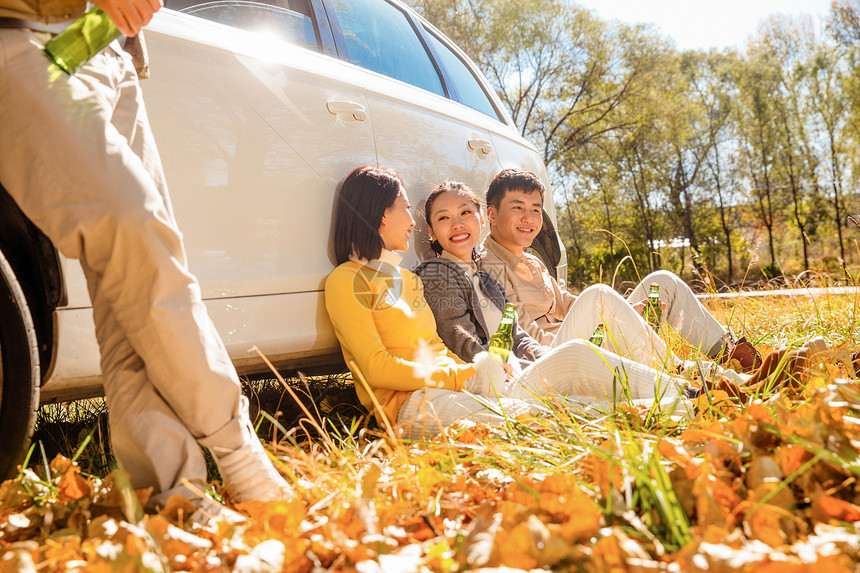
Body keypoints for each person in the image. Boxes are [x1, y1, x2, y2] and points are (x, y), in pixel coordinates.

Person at [0, 0, 291, 516]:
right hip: (20, 32)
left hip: (107, 43)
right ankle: (238, 451)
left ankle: (174, 496)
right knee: (133, 224)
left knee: (130, 283)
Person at [324, 167, 799, 440]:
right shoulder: (432, 273)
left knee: (590, 350)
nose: (453, 223)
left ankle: (701, 394)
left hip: (488, 374)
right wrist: (477, 369)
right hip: (445, 391)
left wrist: (504, 359)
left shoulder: (431, 279)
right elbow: (455, 340)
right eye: (430, 215)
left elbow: (495, 332)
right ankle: (694, 396)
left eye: (463, 213)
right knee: (556, 400)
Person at [479, 168, 762, 373]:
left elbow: (567, 304)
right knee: (599, 295)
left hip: (586, 336)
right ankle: (680, 370)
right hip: (558, 357)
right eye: (518, 208)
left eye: (536, 210)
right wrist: (606, 329)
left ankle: (731, 354)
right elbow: (526, 340)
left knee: (662, 281)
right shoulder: (490, 268)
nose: (529, 218)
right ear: (491, 214)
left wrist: (626, 311)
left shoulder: (532, 260)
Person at [414, 181, 546, 367]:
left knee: (576, 353)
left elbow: (518, 338)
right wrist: (526, 370)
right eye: (444, 218)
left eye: (465, 212)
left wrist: (550, 359)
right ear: (432, 232)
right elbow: (465, 347)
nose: (457, 224)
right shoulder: (436, 275)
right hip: (492, 380)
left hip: (518, 372)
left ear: (482, 220)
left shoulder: (486, 281)